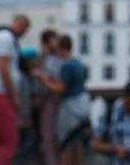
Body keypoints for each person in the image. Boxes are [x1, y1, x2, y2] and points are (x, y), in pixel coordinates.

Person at [32, 35, 89, 165]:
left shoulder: (67, 65)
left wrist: (43, 78)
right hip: (80, 105)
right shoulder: (77, 62)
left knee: (66, 143)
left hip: (70, 108)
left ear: (62, 48)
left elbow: (59, 88)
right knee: (77, 141)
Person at [0, 13, 30, 165]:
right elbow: (4, 68)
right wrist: (14, 95)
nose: (24, 33)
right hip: (0, 94)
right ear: (20, 24)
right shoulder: (6, 39)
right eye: (25, 28)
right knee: (10, 141)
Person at [37, 29, 62, 165]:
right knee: (49, 137)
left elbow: (56, 78)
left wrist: (43, 77)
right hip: (48, 102)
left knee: (52, 137)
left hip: (54, 101)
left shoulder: (57, 58)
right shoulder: (45, 58)